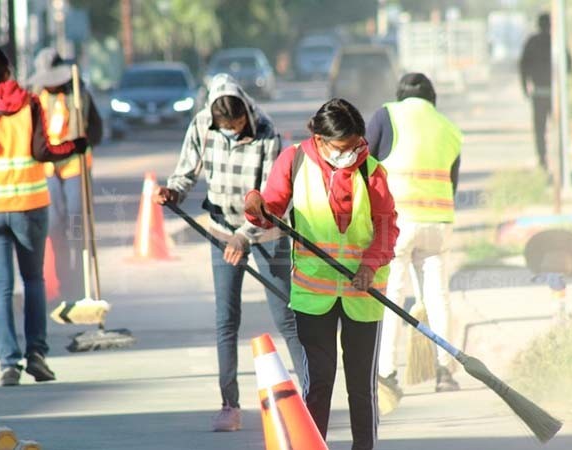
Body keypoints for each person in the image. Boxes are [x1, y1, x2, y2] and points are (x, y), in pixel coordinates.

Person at [153, 73, 305, 432]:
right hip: (222, 230)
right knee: (226, 319)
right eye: (227, 129)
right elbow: (186, 171)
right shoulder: (202, 125)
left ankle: (312, 395)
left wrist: (246, 235)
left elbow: (274, 198)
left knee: (286, 317)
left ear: (246, 115)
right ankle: (229, 405)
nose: (234, 134)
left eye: (238, 127)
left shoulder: (267, 131)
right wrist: (173, 192)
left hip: (266, 232)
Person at [245, 98, 399, 450]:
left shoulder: (371, 170)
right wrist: (256, 208)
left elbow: (387, 226)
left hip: (363, 293)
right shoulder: (294, 159)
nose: (351, 153)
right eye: (343, 148)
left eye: (357, 145)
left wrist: (369, 265)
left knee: (361, 385)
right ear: (320, 138)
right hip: (313, 296)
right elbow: (270, 208)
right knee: (319, 382)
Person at [0, 43, 88, 386]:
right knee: (34, 281)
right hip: (29, 207)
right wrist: (76, 145)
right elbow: (44, 151)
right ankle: (36, 355)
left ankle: (8, 363)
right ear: (7, 68)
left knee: (0, 287)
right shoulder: (29, 102)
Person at [366, 73, 462, 396]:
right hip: (438, 224)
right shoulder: (449, 128)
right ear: (431, 99)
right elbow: (453, 182)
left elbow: (364, 164)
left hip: (397, 223)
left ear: (400, 95)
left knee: (392, 294)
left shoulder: (386, 115)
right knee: (438, 297)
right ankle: (445, 372)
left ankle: (386, 373)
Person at [28, 47, 103, 301]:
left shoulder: (78, 94)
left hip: (74, 167)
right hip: (49, 170)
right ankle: (66, 282)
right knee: (55, 226)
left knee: (76, 223)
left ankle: (81, 281)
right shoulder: (35, 97)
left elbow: (96, 131)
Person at [519, 13, 571, 170]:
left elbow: (523, 67)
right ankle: (559, 159)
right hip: (554, 94)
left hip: (540, 93)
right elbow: (569, 65)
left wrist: (525, 88)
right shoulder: (556, 42)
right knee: (558, 128)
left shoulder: (532, 42)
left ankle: (543, 159)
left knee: (540, 129)